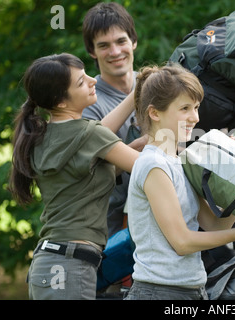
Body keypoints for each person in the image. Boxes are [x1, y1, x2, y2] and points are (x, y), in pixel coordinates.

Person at [124, 64, 235, 300]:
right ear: (155, 113)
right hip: (159, 292)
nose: (195, 117)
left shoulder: (179, 163)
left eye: (197, 107)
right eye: (185, 108)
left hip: (190, 290)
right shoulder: (153, 164)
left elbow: (215, 226)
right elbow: (182, 242)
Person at [8, 53, 140, 300]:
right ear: (60, 102)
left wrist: (136, 99)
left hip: (50, 262)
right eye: (81, 82)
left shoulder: (42, 136)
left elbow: (98, 154)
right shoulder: (89, 135)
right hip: (69, 265)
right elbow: (150, 168)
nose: (93, 81)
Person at [82, 2, 147, 237]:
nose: (115, 52)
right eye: (104, 45)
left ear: (133, 42)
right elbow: (89, 171)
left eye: (121, 41)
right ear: (92, 51)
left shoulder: (158, 87)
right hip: (108, 231)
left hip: (160, 223)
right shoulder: (86, 101)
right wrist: (139, 149)